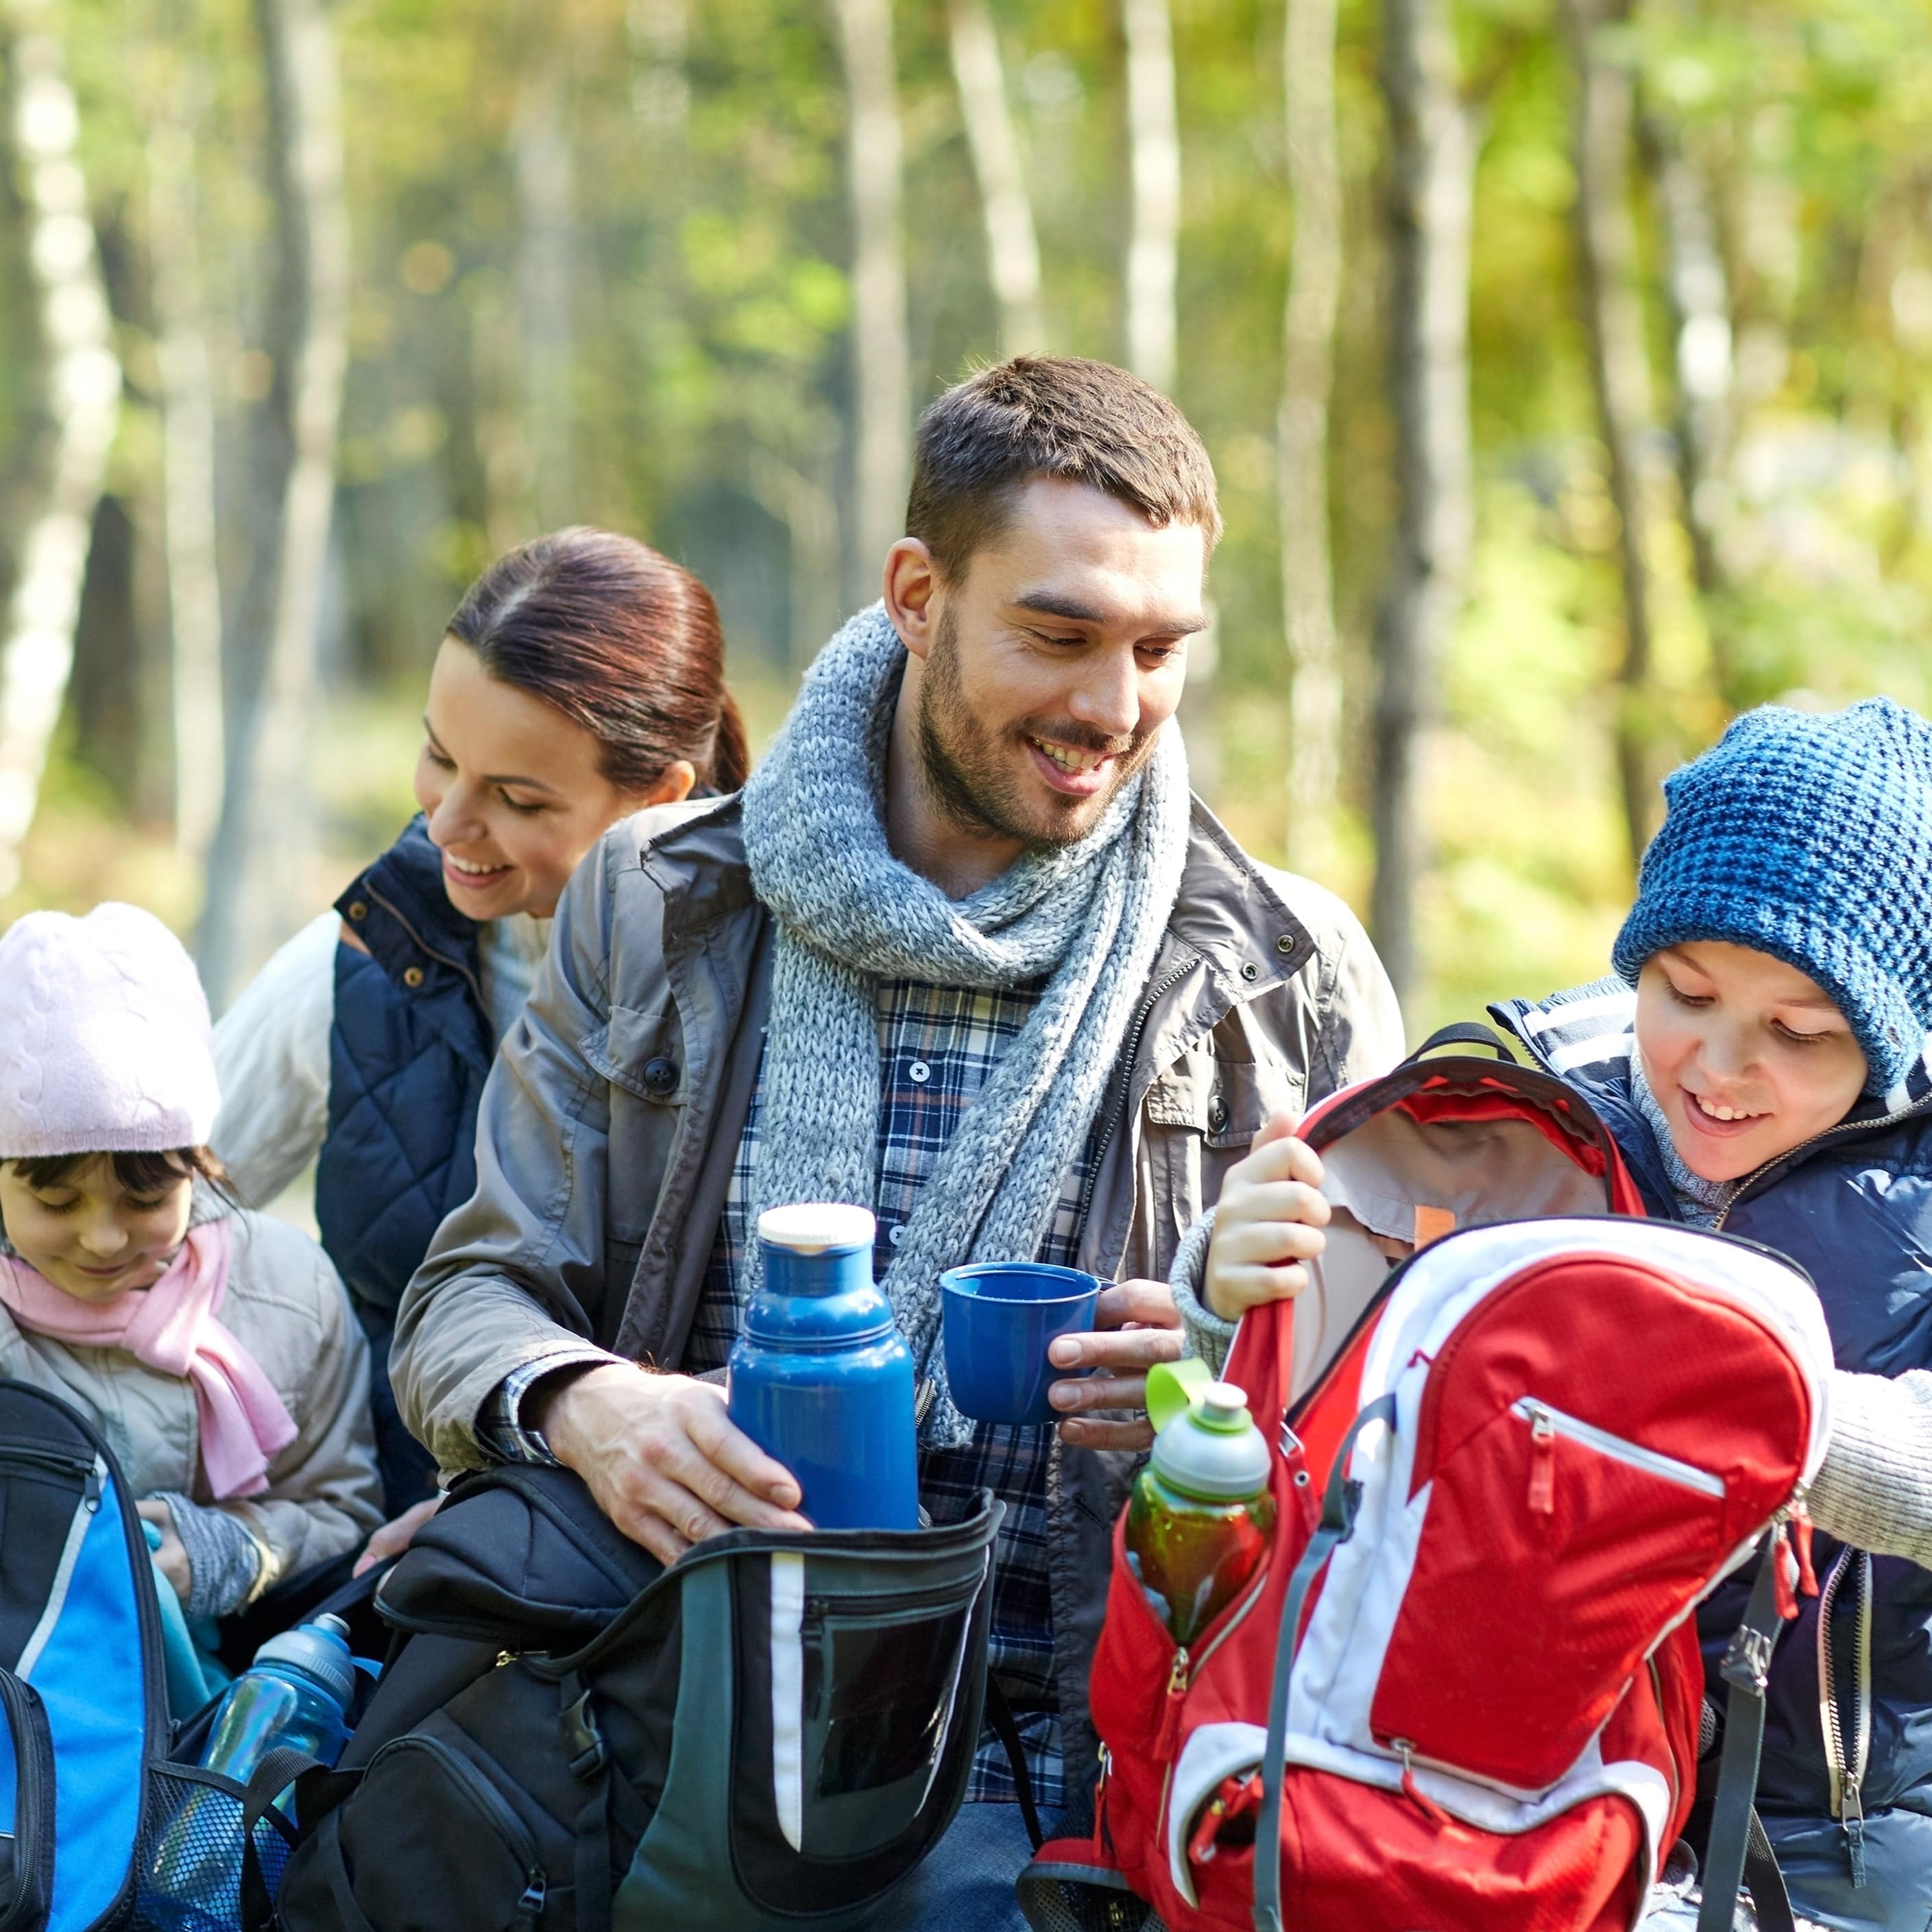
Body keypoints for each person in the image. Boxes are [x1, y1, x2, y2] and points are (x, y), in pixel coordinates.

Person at [391, 354, 1404, 1927]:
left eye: (1158, 648)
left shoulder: (1286, 973)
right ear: (916, 592)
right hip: (670, 1713)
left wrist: (1212, 1402)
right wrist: (593, 1406)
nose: (1109, 705)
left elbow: (1393, 1475)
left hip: (1068, 1769)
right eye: (1056, 634)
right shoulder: (659, 899)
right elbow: (463, 1299)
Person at [1177, 698, 1932, 1932]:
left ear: (1889, 1040)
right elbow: (1307, 1415)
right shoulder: (1518, 1110)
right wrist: (1230, 1287)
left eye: (1796, 1033)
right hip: (1497, 1791)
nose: (1716, 1065)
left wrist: (1776, 1417)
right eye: (1683, 991)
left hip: (1829, 1839)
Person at [211, 528, 749, 1522]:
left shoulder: (768, 984)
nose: (446, 823)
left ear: (661, 798)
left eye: (514, 796)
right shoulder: (371, 954)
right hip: (385, 1554)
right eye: (438, 755)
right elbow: (148, 1194)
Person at [0, 904, 382, 1713]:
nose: (102, 1238)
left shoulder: (287, 1292)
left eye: (144, 1196)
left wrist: (232, 1553)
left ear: (197, 1162)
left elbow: (345, 1508)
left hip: (196, 1717)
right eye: (58, 1201)